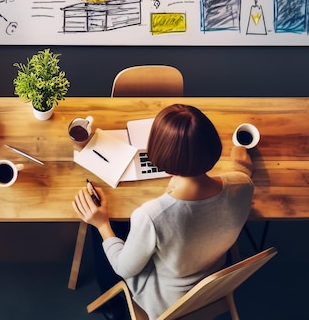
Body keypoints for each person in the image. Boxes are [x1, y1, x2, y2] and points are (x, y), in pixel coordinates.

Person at [72, 104, 254, 320]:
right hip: (212, 279)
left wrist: (101, 223)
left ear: (163, 162)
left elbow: (124, 268)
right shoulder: (243, 185)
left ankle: (114, 307)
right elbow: (243, 172)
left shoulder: (152, 215)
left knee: (104, 230)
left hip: (165, 300)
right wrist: (240, 154)